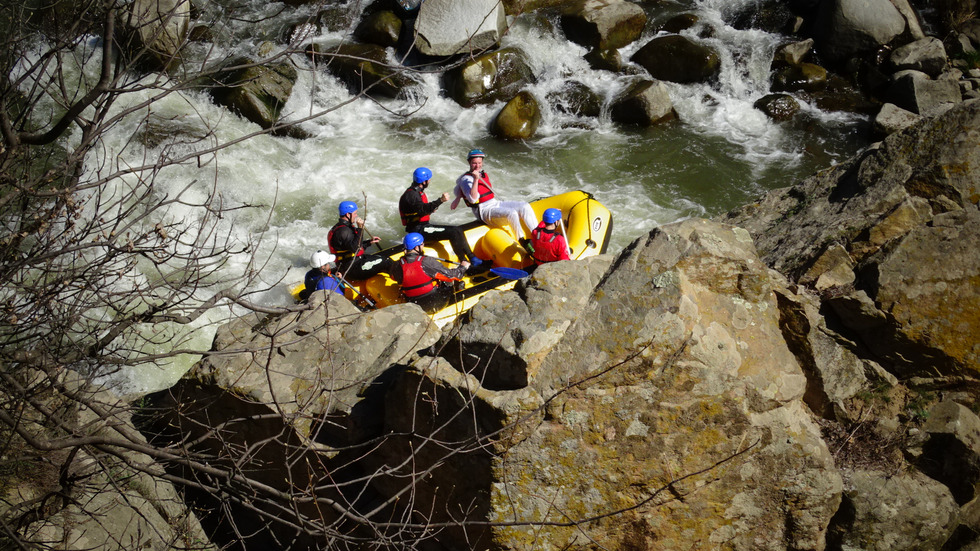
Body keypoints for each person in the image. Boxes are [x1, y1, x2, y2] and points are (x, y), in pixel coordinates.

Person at [399, 167, 483, 268]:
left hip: (422, 226)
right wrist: (440, 200)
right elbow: (422, 209)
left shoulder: (415, 192)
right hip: (418, 230)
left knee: (457, 230)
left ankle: (472, 258)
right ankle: (465, 263)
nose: (429, 181)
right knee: (454, 231)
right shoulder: (411, 195)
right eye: (428, 180)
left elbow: (418, 210)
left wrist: (431, 209)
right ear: (424, 181)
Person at [451, 149, 538, 243]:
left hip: (494, 203)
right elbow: (473, 199)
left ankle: (538, 235)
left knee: (524, 206)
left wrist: (458, 197)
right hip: (483, 211)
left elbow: (459, 189)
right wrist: (476, 179)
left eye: (479, 163)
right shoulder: (466, 179)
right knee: (511, 213)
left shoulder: (482, 173)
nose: (477, 166)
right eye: (474, 163)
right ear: (469, 162)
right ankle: (521, 240)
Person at [390, 232, 470, 313]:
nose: (423, 246)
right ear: (417, 247)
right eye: (422, 244)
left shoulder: (396, 265)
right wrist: (463, 267)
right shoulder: (427, 261)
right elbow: (453, 276)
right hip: (436, 303)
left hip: (414, 306)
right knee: (454, 282)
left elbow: (393, 278)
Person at [328, 201, 394, 279]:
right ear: (348, 214)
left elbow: (351, 245)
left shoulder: (343, 228)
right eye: (355, 213)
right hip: (352, 269)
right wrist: (360, 229)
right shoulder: (343, 231)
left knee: (381, 257)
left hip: (353, 263)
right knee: (386, 261)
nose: (356, 216)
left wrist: (369, 242)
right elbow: (355, 248)